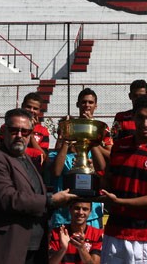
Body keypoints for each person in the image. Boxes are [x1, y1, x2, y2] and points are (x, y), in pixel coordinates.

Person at [0, 108, 76, 264]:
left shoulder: (26, 159)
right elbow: (7, 198)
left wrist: (61, 201)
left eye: (25, 132)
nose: (19, 135)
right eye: (14, 130)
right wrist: (50, 200)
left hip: (32, 248)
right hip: (4, 248)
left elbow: (33, 195)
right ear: (5, 131)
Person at [100, 94, 147, 264]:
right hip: (115, 232)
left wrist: (119, 202)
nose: (145, 124)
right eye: (140, 117)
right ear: (133, 117)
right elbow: (108, 181)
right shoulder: (119, 147)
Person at [49, 88, 111, 228]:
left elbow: (103, 165)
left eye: (90, 102)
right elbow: (56, 172)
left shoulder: (99, 134)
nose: (87, 105)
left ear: (96, 105)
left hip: (90, 215)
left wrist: (92, 137)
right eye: (84, 102)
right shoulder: (61, 149)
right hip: (63, 215)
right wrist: (65, 140)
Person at [0, 92, 50, 169]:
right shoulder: (7, 127)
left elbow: (43, 157)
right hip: (9, 166)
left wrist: (30, 132)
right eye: (28, 107)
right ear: (22, 106)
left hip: (33, 169)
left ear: (39, 111)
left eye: (35, 108)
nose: (31, 110)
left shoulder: (43, 131)